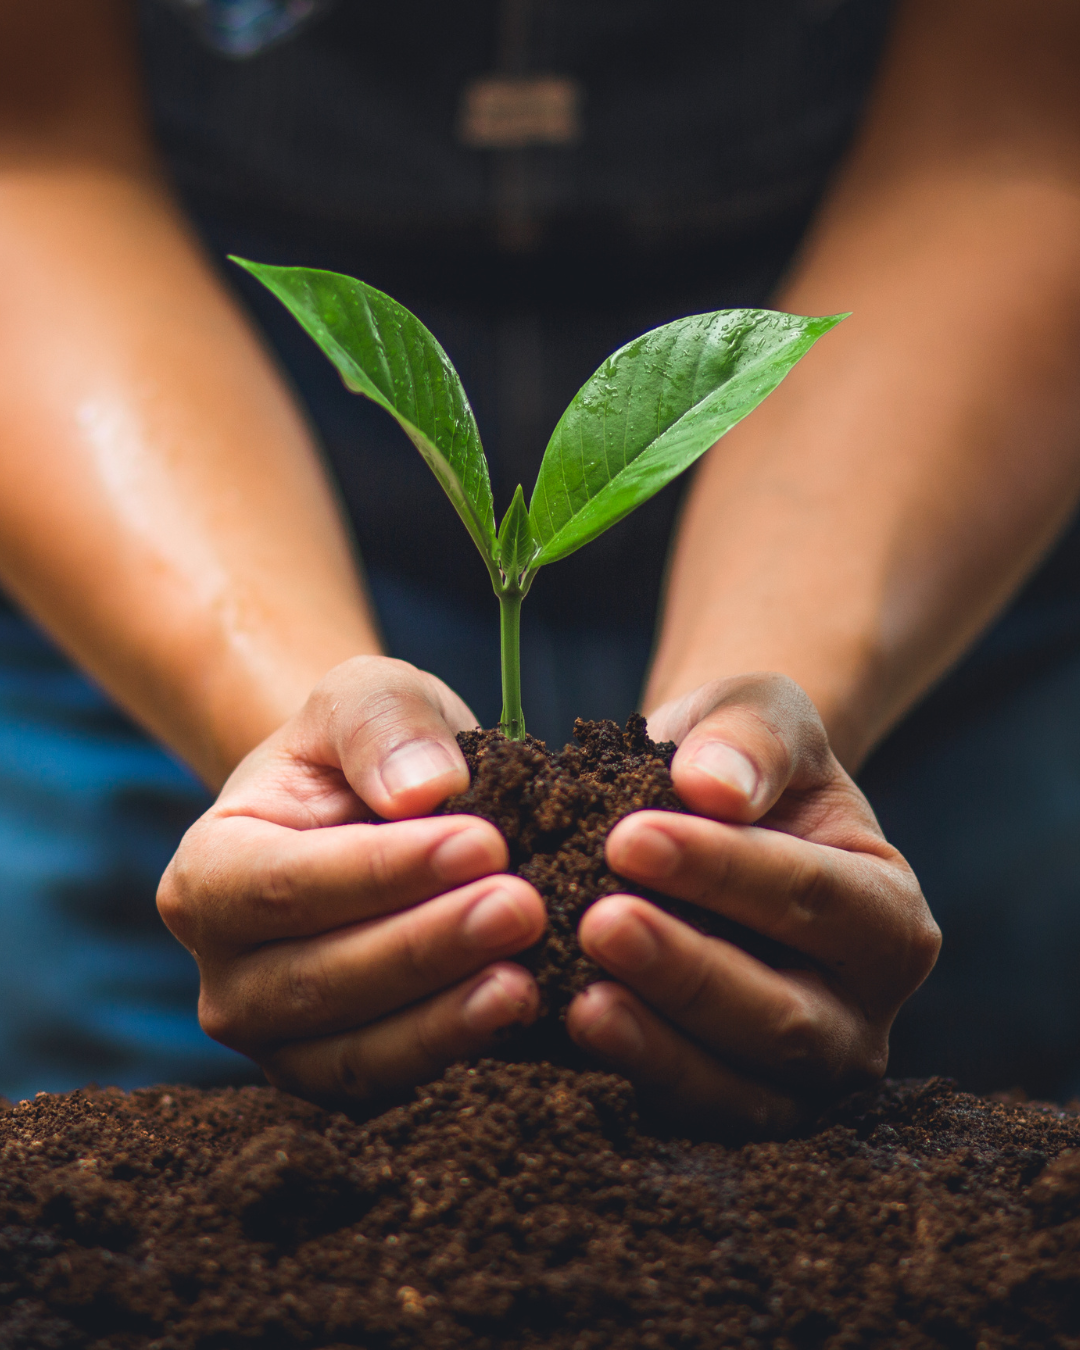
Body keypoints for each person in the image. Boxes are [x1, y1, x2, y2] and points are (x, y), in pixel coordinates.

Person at [0, 0, 1076, 1129]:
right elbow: (32, 154)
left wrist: (747, 746)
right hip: (161, 516)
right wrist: (315, 755)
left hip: (921, 521)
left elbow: (1013, 144)